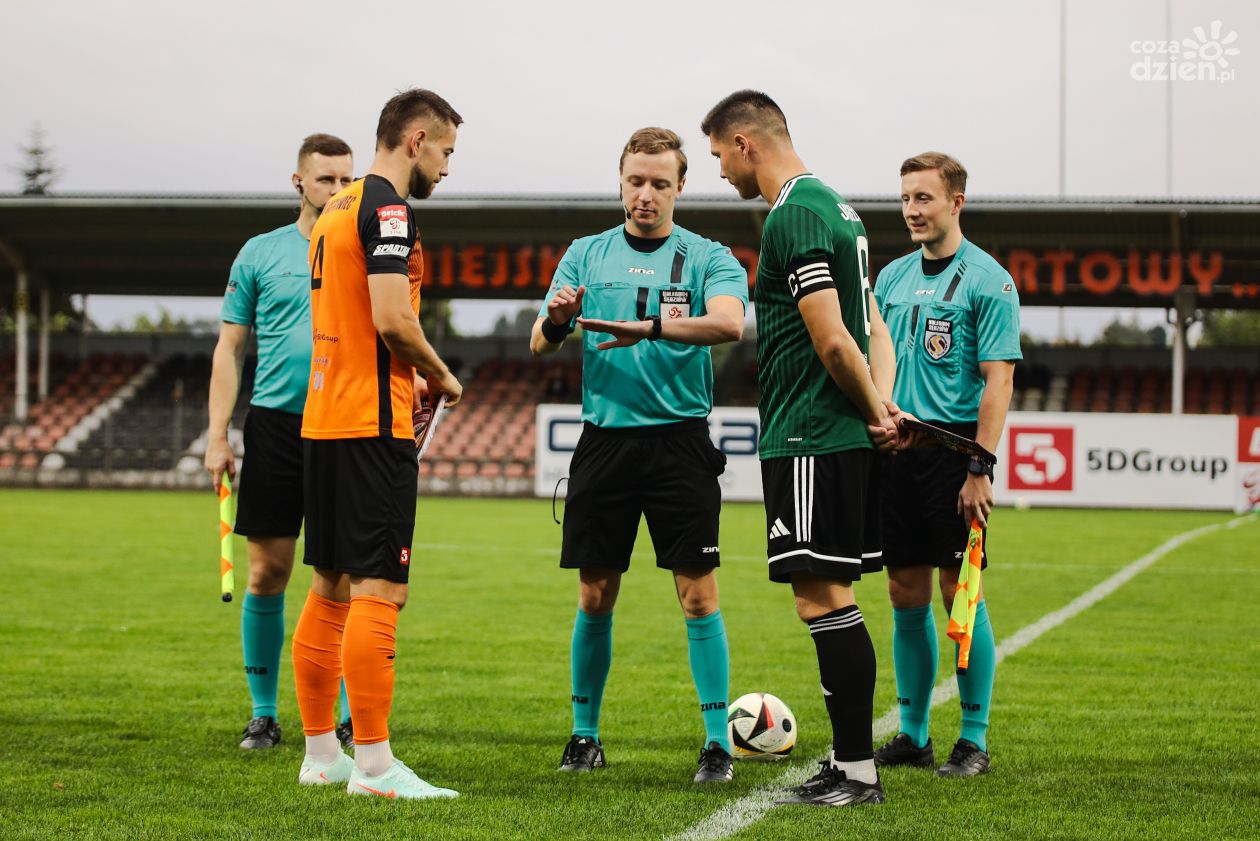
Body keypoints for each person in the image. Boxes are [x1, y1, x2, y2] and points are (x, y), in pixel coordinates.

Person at [530, 127, 749, 784]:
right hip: (605, 443)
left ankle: (717, 743)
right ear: (620, 182)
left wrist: (649, 328)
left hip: (680, 442)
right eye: (635, 181)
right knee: (595, 593)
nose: (645, 194)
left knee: (698, 596)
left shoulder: (709, 257)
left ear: (681, 186)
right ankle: (584, 736)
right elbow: (541, 340)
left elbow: (730, 323)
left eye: (659, 182)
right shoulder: (585, 254)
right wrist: (560, 318)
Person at [701, 90, 898, 806]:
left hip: (811, 432)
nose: (721, 169)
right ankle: (849, 763)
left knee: (822, 598)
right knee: (826, 594)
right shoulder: (840, 209)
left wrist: (873, 411)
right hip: (834, 430)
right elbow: (876, 326)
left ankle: (858, 773)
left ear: (745, 143)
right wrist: (882, 403)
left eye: (719, 154)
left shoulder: (794, 214)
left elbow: (834, 337)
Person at [289, 89, 464, 800]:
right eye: (446, 151)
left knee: (329, 586)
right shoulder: (389, 209)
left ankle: (320, 753)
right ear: (416, 139)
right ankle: (374, 767)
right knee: (380, 590)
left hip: (324, 418)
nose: (447, 167)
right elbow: (392, 318)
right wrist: (441, 373)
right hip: (372, 423)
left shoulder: (335, 207)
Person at [870, 152, 1020, 778]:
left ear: (956, 202)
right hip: (897, 451)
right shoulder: (890, 278)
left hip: (955, 453)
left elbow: (998, 381)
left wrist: (979, 467)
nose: (912, 210)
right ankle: (913, 734)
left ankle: (974, 739)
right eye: (906, 198)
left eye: (924, 198)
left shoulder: (990, 280)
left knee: (960, 593)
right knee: (904, 592)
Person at [205, 133, 354, 750]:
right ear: (299, 182)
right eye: (326, 179)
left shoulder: (364, 249)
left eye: (347, 179)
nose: (338, 190)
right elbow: (230, 348)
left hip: (342, 426)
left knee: (340, 577)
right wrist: (217, 435)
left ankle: (344, 715)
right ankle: (263, 713)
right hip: (274, 426)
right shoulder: (260, 253)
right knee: (268, 572)